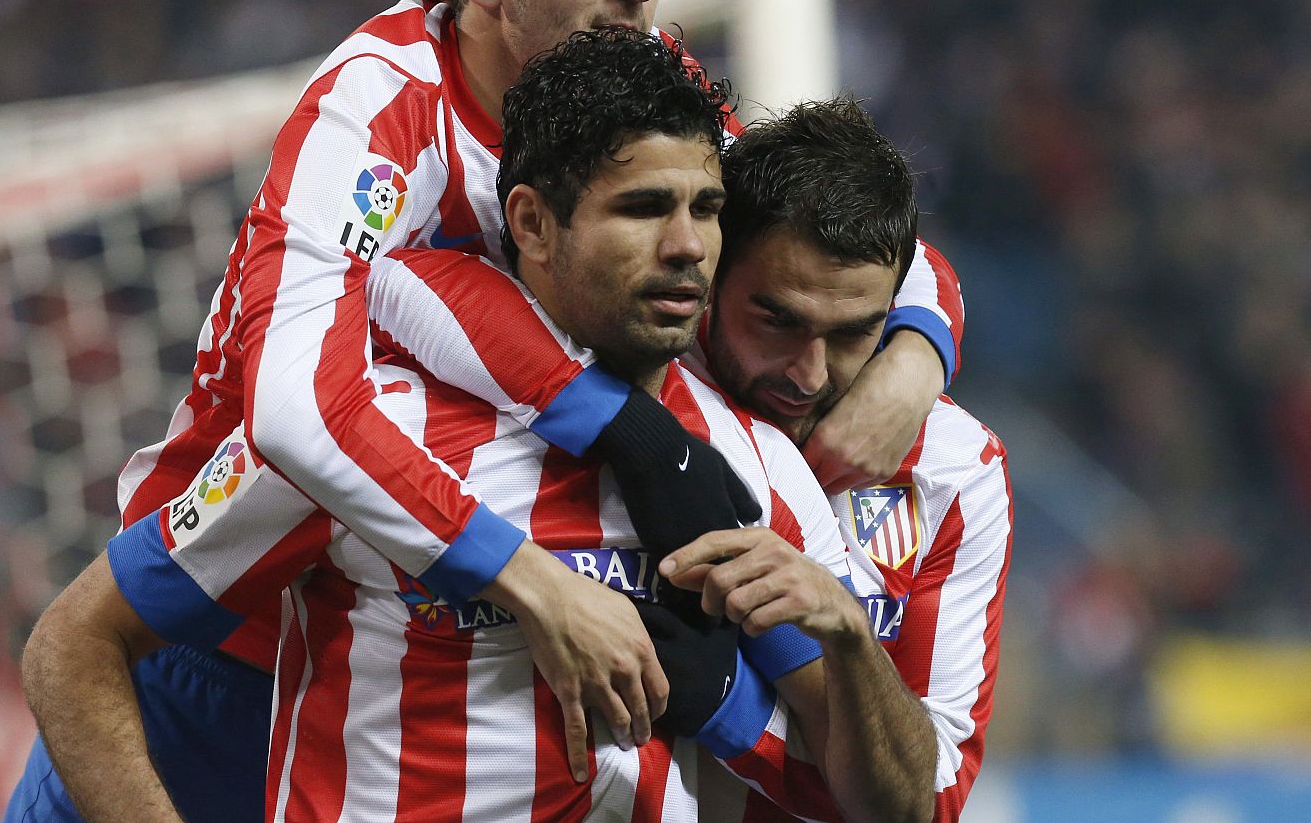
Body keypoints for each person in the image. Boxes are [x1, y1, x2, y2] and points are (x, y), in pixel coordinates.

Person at [8, 0, 967, 821]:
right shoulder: (381, 107)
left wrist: (913, 357)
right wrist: (528, 573)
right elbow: (292, 408)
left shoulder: (640, 103)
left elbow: (831, 230)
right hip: (228, 628)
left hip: (456, 636)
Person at [21, 28, 885, 822]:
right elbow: (73, 642)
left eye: (707, 208)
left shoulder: (754, 469)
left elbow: (894, 802)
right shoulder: (362, 436)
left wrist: (831, 644)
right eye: (643, 207)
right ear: (532, 224)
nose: (688, 244)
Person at [376, 100, 1011, 822]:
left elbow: (927, 803)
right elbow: (399, 279)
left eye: (852, 335)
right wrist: (634, 433)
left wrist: (734, 707)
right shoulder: (647, 358)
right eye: (775, 319)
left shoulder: (955, 470)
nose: (807, 373)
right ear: (712, 267)